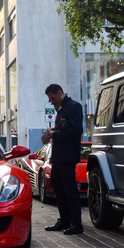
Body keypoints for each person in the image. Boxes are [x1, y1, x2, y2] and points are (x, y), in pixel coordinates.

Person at [43, 84, 83, 235]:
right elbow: (64, 129)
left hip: (67, 156)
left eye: (52, 98)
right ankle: (65, 220)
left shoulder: (74, 107)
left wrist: (55, 134)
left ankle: (76, 223)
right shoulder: (61, 110)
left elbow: (75, 130)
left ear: (59, 93)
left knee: (69, 189)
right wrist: (53, 132)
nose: (51, 102)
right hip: (59, 156)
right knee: (57, 185)